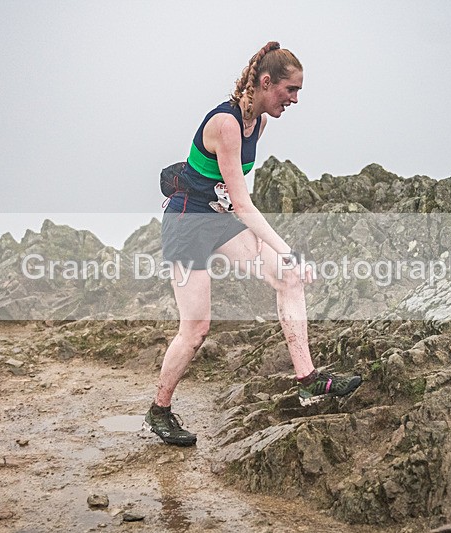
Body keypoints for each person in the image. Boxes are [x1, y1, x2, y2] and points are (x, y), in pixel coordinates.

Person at [144, 42, 362, 446]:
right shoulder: (226, 124)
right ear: (266, 82)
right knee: (196, 329)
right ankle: (160, 409)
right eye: (290, 90)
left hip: (218, 219)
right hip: (188, 223)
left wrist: (283, 258)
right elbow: (243, 202)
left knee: (288, 279)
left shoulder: (258, 125)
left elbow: (233, 194)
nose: (295, 99)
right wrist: (287, 248)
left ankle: (308, 380)